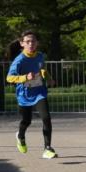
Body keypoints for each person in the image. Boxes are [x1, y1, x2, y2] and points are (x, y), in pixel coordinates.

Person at [6, 30, 57, 159]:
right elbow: (9, 78)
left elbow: (42, 69)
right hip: (24, 95)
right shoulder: (19, 60)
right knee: (26, 121)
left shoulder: (39, 56)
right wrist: (24, 78)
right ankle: (20, 136)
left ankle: (47, 148)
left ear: (37, 43)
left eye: (33, 41)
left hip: (39, 92)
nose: (31, 44)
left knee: (46, 118)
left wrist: (49, 78)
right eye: (27, 42)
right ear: (22, 44)